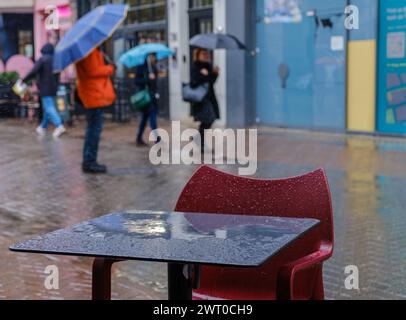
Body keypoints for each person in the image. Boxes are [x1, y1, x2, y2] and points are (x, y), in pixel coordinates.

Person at [76, 47, 116, 174]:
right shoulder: (89, 52)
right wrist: (110, 68)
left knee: (93, 129)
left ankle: (89, 161)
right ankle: (89, 162)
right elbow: (93, 71)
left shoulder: (89, 51)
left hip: (92, 94)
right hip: (94, 95)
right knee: (94, 130)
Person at [23, 43, 66, 139]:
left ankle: (59, 125)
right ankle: (42, 127)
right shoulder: (56, 61)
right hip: (54, 88)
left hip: (45, 88)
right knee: (47, 108)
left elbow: (33, 72)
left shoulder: (42, 60)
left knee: (49, 107)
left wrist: (23, 80)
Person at [190, 48, 220, 152]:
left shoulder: (208, 66)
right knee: (208, 119)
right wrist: (202, 74)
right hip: (201, 99)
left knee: (210, 119)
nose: (205, 56)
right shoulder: (195, 67)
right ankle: (199, 142)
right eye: (202, 54)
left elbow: (211, 81)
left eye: (206, 54)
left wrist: (215, 74)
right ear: (197, 55)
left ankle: (197, 140)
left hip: (210, 97)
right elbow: (193, 82)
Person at [134, 53, 160, 147]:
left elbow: (155, 83)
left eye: (155, 56)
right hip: (145, 98)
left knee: (144, 119)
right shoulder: (142, 67)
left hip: (153, 97)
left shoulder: (153, 67)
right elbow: (136, 81)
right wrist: (147, 78)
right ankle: (157, 140)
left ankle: (138, 138)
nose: (154, 58)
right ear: (148, 57)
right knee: (152, 118)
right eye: (152, 56)